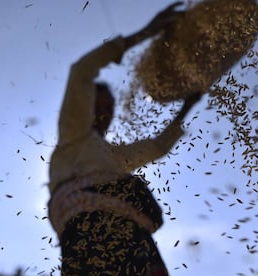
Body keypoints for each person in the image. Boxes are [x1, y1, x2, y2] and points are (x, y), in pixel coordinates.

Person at [47, 3, 201, 275]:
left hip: (133, 236)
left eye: (109, 109)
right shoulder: (74, 134)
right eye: (99, 106)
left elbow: (156, 147)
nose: (105, 114)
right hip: (90, 232)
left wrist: (188, 105)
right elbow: (81, 71)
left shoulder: (112, 157)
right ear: (85, 104)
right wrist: (146, 33)